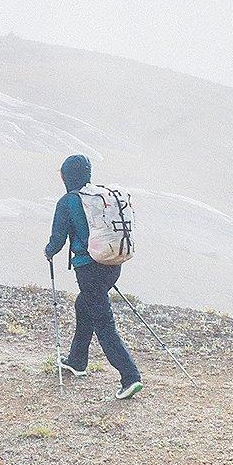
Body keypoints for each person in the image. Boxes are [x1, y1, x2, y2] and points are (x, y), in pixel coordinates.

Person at [44, 154, 143, 400]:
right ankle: (77, 361)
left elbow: (58, 239)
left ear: (65, 176)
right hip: (113, 263)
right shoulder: (98, 198)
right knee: (83, 306)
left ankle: (130, 377)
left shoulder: (68, 201)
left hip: (89, 269)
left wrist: (48, 252)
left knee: (103, 322)